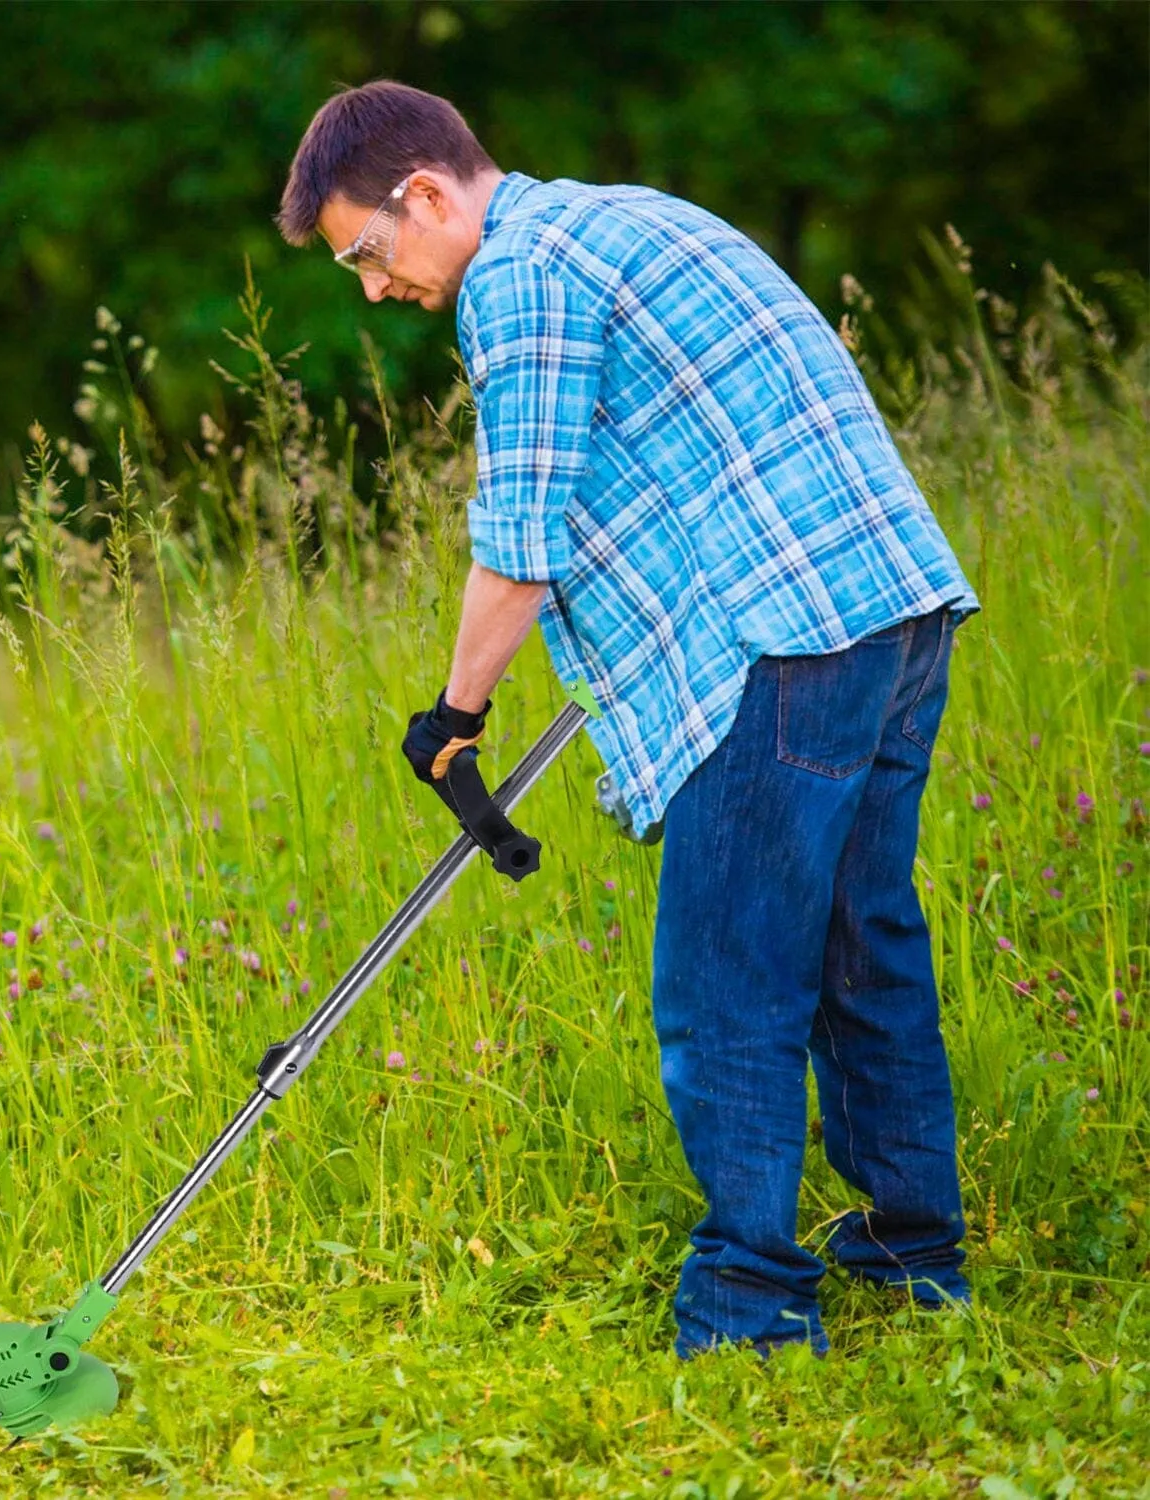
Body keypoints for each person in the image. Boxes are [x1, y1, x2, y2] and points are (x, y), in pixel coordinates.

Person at [278, 81, 977, 1359]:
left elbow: (522, 536)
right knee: (858, 943)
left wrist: (455, 713)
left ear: (423, 195)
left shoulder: (522, 275)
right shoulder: (620, 217)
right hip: (889, 603)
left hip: (789, 635)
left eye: (368, 257)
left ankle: (752, 1308)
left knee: (726, 984)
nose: (374, 291)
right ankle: (912, 1258)